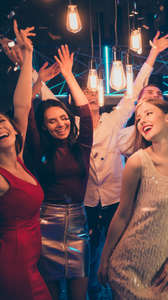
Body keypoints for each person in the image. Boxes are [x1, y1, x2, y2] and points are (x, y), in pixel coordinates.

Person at [83, 30, 168, 300]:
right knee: (88, 256)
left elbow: (134, 92)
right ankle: (91, 291)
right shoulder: (74, 129)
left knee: (119, 252)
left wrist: (153, 54)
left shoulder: (114, 122)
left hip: (115, 198)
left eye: (93, 96)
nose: (90, 99)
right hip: (86, 201)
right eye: (84, 96)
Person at [98, 97, 168, 300]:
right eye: (137, 119)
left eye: (148, 113)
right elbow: (122, 215)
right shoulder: (137, 162)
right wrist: (104, 259)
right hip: (128, 266)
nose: (142, 121)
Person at [25, 44, 93, 300]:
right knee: (50, 296)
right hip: (45, 225)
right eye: (52, 121)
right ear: (44, 126)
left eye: (64, 118)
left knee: (79, 296)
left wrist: (68, 75)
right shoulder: (38, 147)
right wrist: (38, 81)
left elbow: (84, 112)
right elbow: (27, 110)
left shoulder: (81, 147)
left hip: (78, 223)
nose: (61, 123)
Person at [0, 20, 51, 300]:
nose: (1, 127)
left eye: (2, 122)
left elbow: (22, 105)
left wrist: (28, 54)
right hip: (13, 266)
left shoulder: (17, 160)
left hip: (32, 261)